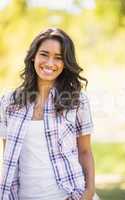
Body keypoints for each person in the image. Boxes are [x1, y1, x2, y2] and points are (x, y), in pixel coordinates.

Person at [0, 28, 98, 200]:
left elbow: (85, 151)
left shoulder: (77, 101)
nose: (50, 62)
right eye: (44, 54)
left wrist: (88, 193)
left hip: (69, 194)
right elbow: (9, 156)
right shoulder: (9, 102)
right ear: (33, 57)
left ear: (65, 63)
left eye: (59, 57)